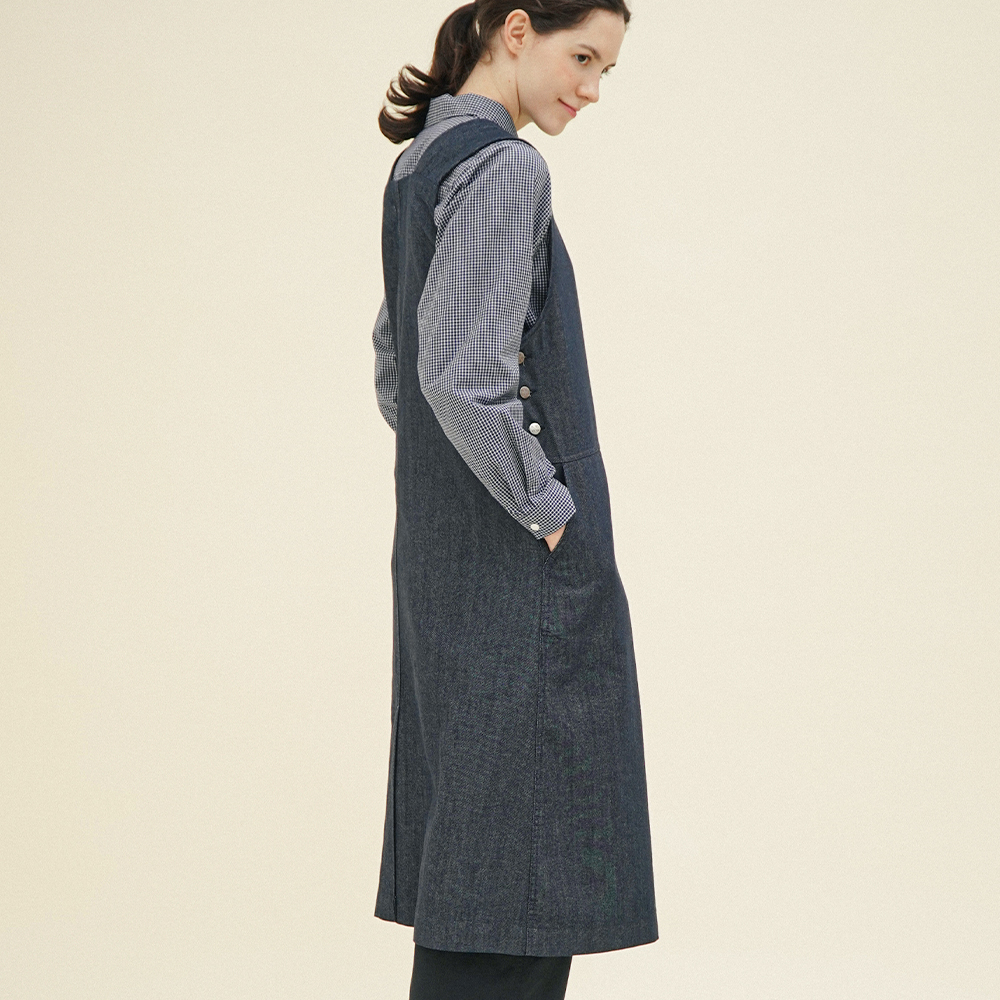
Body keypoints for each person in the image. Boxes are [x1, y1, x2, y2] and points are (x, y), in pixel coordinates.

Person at [370, 3, 657, 996]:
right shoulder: (504, 167)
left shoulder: (419, 163)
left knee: (482, 851)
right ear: (517, 30)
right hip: (514, 565)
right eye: (582, 56)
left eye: (606, 70)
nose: (591, 88)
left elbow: (395, 368)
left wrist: (454, 488)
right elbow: (458, 376)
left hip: (445, 556)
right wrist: (547, 508)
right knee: (526, 868)